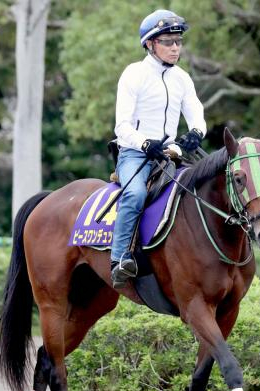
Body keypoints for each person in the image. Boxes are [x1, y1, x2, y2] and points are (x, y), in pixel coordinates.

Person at [111, 9, 207, 289]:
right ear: (150, 44)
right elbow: (122, 126)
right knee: (136, 192)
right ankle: (119, 260)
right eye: (167, 41)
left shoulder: (183, 78)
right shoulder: (134, 74)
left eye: (178, 41)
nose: (175, 47)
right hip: (134, 152)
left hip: (170, 153)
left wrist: (195, 134)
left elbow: (196, 113)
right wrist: (144, 143)